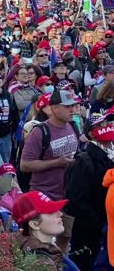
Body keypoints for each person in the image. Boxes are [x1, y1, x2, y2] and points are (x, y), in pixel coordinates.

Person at [20, 89, 80, 252]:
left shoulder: (73, 127)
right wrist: (56, 163)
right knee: (41, 245)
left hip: (67, 197)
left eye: (74, 106)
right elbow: (25, 165)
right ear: (53, 108)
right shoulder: (40, 132)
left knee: (64, 240)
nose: (72, 110)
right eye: (67, 106)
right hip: (44, 197)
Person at [64, 111, 114, 270]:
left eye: (108, 123)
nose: (107, 127)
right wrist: (101, 224)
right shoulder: (83, 161)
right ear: (91, 133)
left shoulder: (111, 154)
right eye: (101, 125)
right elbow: (75, 202)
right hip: (91, 233)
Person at [12, 191, 79, 270]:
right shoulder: (39, 263)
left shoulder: (46, 250)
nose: (60, 213)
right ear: (34, 224)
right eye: (50, 211)